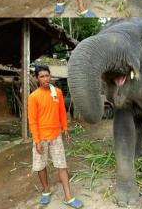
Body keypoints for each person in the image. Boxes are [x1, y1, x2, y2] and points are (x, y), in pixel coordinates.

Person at [27, 65, 82, 208]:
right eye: (42, 76)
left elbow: (62, 113)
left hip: (56, 136)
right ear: (36, 78)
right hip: (40, 137)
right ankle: (46, 190)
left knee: (62, 165)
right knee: (40, 166)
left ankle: (68, 196)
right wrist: (37, 140)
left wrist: (65, 129)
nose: (45, 79)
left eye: (47, 76)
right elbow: (32, 121)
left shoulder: (57, 92)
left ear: (50, 76)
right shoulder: (33, 97)